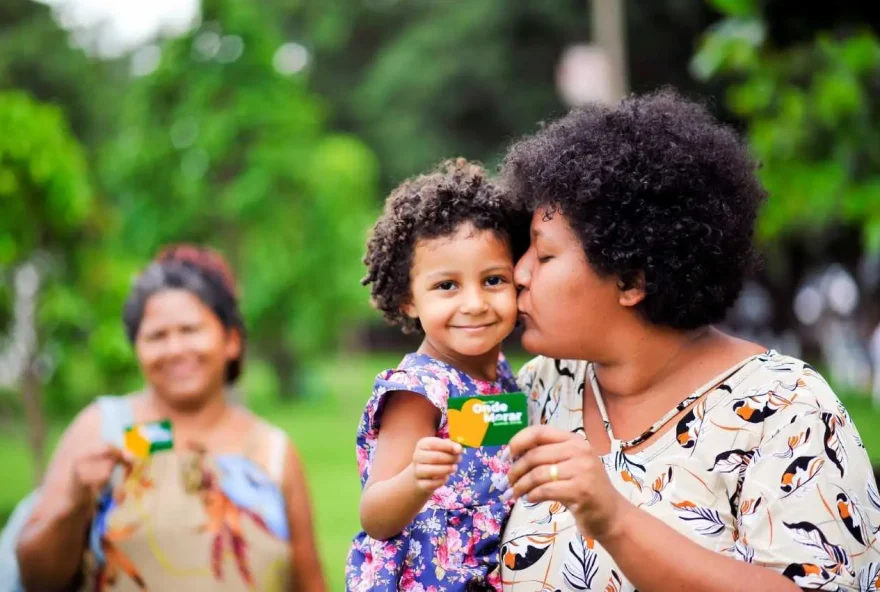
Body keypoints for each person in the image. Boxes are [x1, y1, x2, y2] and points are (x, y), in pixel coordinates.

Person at [497, 90, 880, 591]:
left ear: (632, 280)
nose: (519, 273)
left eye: (544, 257)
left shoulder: (785, 410)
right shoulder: (538, 389)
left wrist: (614, 519)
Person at [16, 245, 326, 592]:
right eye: (157, 336)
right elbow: (36, 580)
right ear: (137, 349)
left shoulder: (273, 453)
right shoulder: (104, 430)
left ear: (232, 340)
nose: (175, 349)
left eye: (190, 330)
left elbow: (310, 583)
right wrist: (74, 502)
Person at [346, 159, 524, 591]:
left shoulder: (502, 378)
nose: (475, 303)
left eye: (493, 280)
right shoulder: (419, 391)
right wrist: (415, 480)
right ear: (409, 299)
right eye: (447, 286)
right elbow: (375, 515)